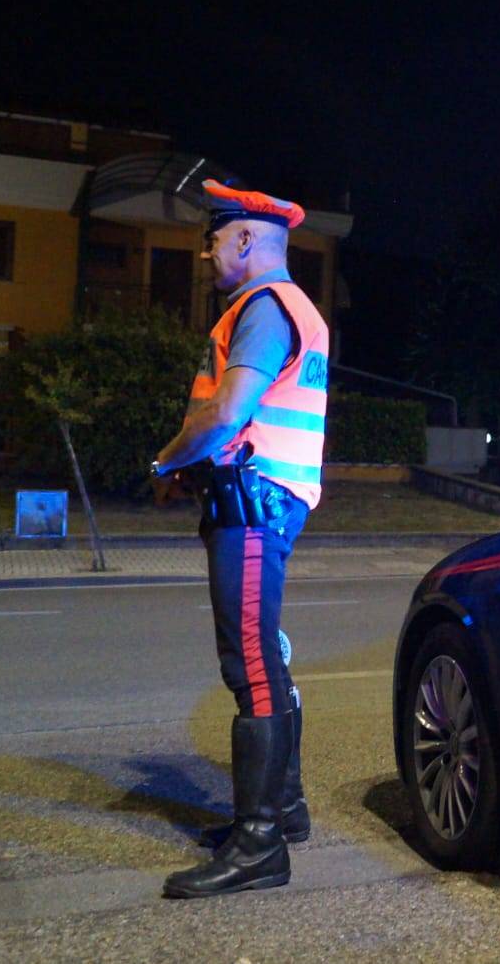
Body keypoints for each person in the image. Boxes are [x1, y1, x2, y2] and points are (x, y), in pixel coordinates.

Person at [156, 179, 329, 898]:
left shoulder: (263, 308)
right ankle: (282, 811)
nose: (204, 251)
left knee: (250, 664)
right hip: (260, 501)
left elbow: (228, 412)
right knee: (263, 657)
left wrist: (167, 458)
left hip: (252, 504)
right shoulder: (290, 309)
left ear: (250, 240)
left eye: (214, 237)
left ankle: (258, 843)